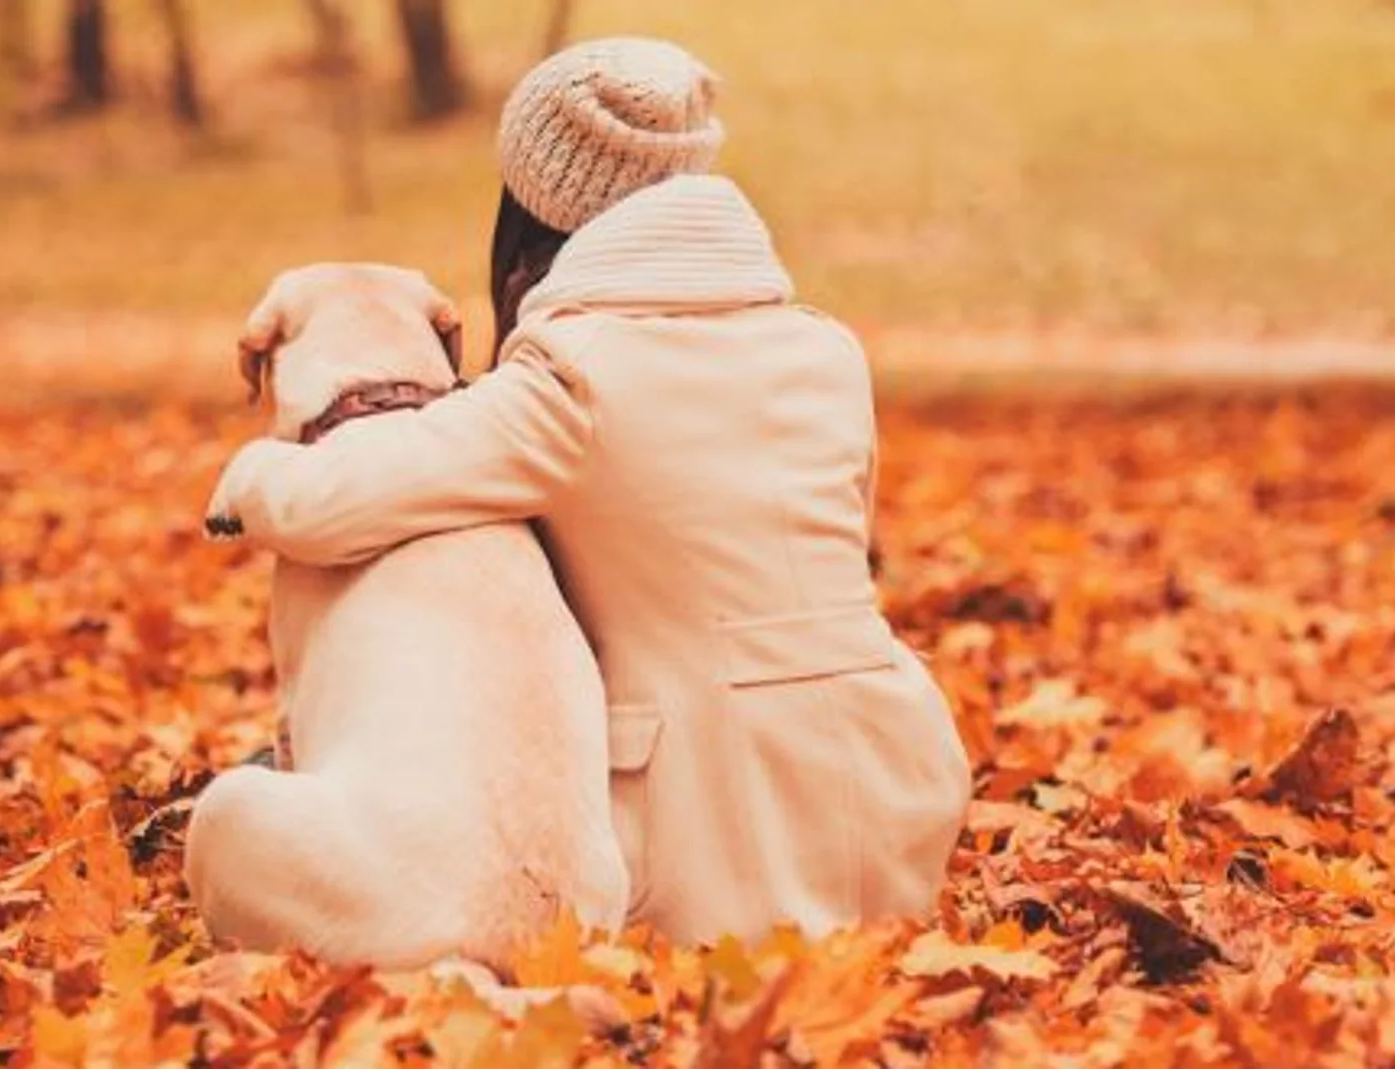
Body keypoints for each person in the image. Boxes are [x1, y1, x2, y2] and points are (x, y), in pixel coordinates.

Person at [204, 37, 972, 946]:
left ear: (533, 207)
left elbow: (340, 501)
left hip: (708, 832)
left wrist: (249, 478)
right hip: (895, 794)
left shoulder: (573, 376)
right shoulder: (823, 348)